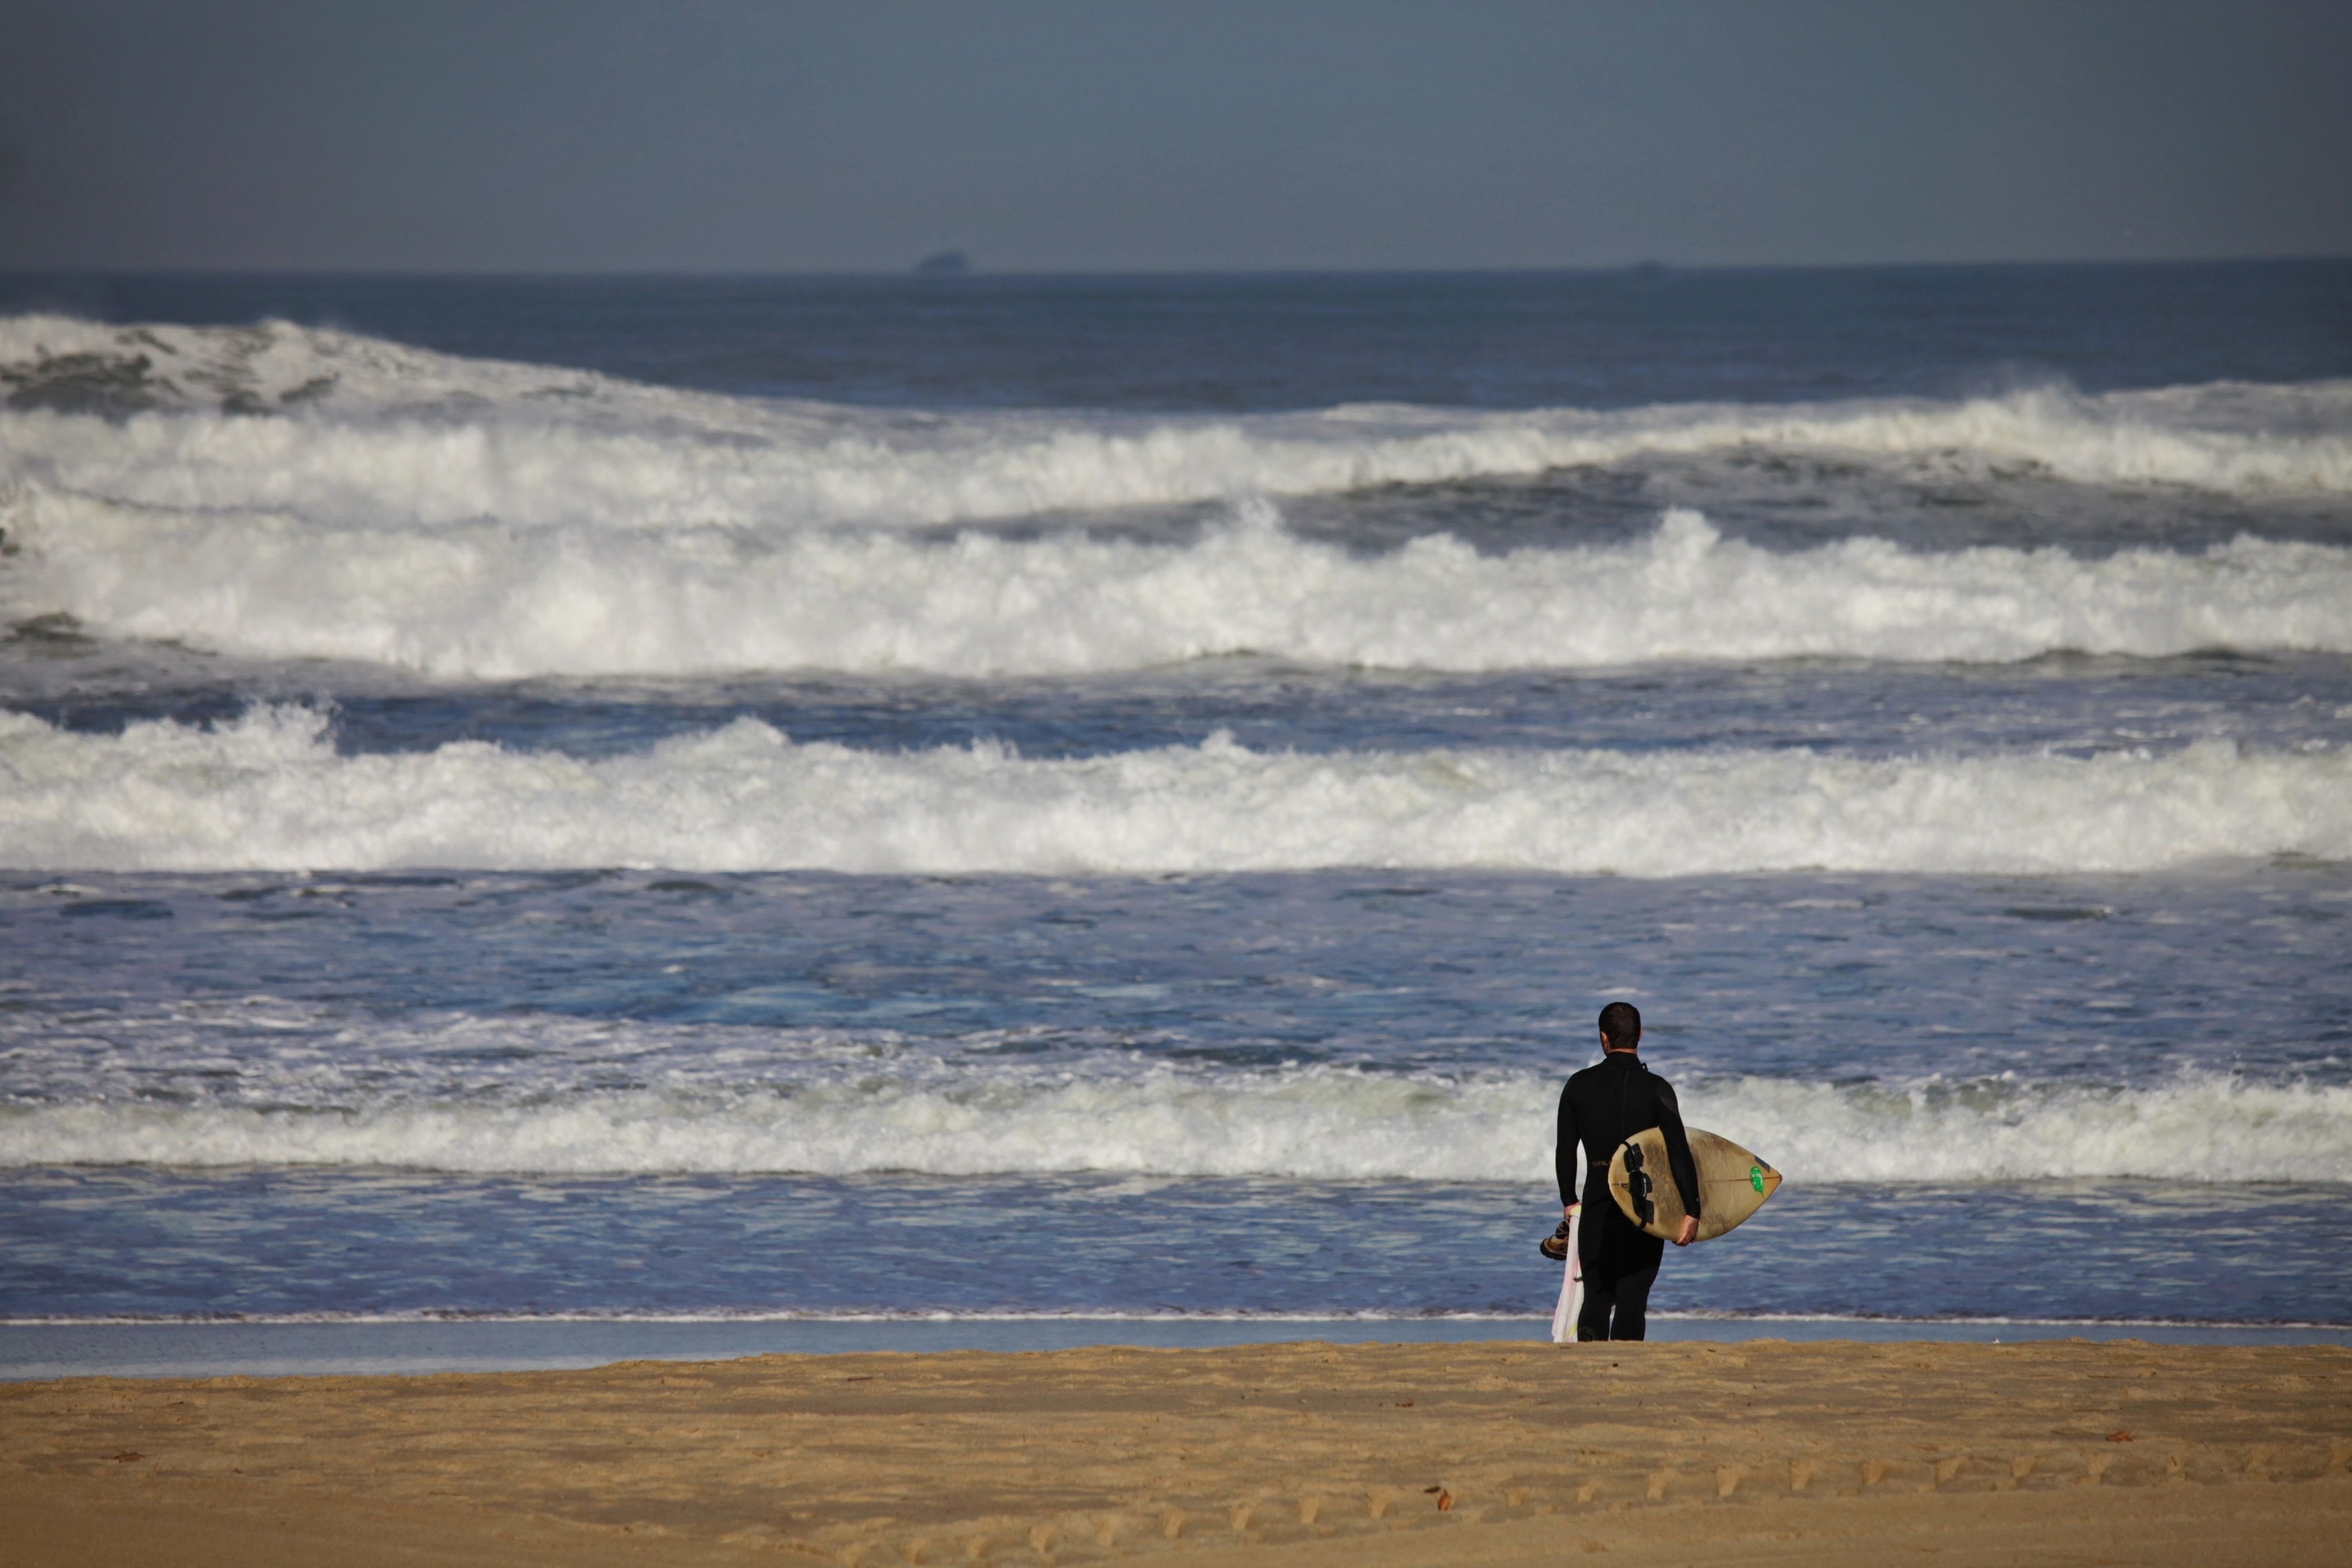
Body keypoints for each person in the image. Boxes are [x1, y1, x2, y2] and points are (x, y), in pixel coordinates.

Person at [1544, 1001, 1700, 1341]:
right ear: (1640, 1035)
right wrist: (1692, 1209)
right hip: (1643, 1205)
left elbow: (1565, 1150)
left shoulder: (1578, 1086)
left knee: (1596, 1296)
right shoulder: (1658, 1088)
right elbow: (1679, 1154)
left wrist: (1569, 1202)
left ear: (1603, 1037)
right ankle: (1625, 1372)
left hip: (1597, 1202)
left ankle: (1589, 1373)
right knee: (1632, 1297)